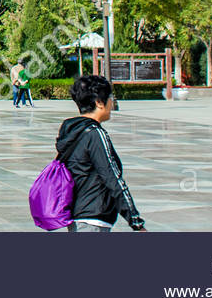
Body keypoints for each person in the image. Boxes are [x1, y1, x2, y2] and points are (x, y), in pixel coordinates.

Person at [56, 74, 145, 233]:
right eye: (110, 97)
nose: (112, 102)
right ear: (99, 102)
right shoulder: (95, 134)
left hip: (78, 217)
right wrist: (135, 220)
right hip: (93, 219)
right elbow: (113, 178)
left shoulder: (72, 131)